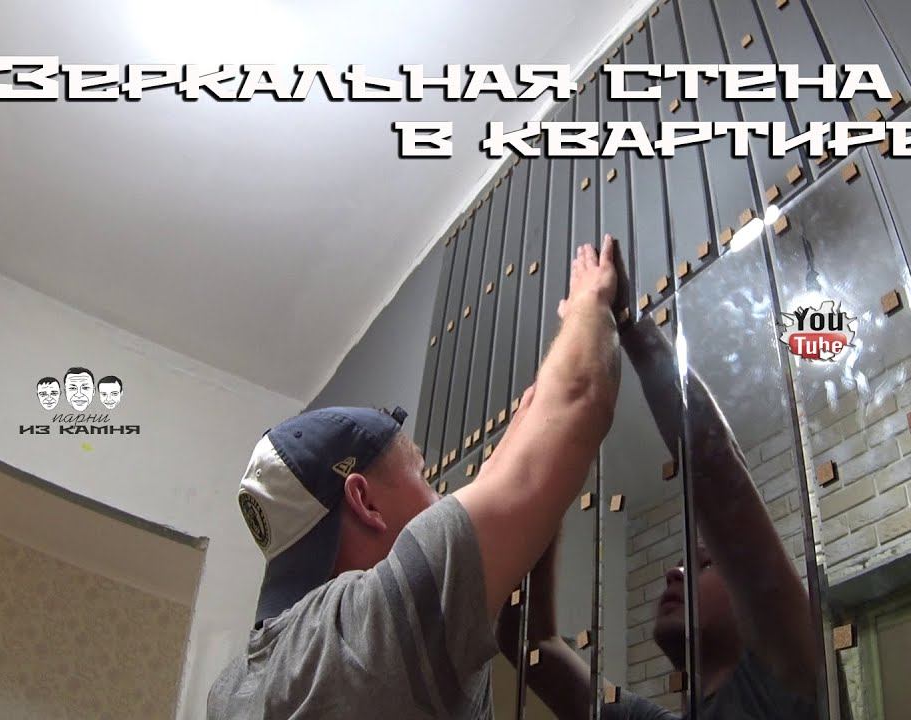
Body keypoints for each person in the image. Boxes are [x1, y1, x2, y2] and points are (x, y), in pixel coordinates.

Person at [206, 235, 624, 719]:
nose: (441, 495)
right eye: (423, 477)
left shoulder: (232, 689)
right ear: (364, 501)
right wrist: (588, 302)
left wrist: (515, 446)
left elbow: (487, 495)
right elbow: (578, 396)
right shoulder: (367, 631)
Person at [497, 313, 819, 720]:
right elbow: (529, 643)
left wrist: (631, 321)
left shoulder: (797, 675)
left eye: (704, 564)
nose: (674, 572)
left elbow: (720, 473)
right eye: (684, 564)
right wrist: (548, 460)